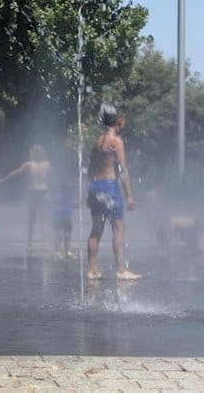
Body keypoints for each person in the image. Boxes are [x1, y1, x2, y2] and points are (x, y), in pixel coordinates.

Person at [85, 105, 141, 280]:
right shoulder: (117, 141)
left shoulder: (98, 141)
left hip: (96, 187)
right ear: (120, 121)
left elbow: (90, 169)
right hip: (110, 187)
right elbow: (123, 170)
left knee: (96, 229)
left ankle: (92, 270)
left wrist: (88, 194)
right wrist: (129, 196)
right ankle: (121, 269)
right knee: (118, 228)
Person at [0, 144, 51, 253]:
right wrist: (51, 191)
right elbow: (50, 179)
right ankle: (44, 246)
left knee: (32, 220)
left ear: (34, 153)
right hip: (44, 191)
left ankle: (29, 245)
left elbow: (15, 173)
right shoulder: (47, 164)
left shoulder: (29, 164)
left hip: (34, 191)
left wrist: (3, 180)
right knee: (44, 220)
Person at [52, 181, 75, 259]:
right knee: (60, 235)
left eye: (70, 190)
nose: (69, 192)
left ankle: (68, 252)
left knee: (68, 236)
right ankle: (57, 252)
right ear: (64, 189)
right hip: (59, 219)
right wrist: (56, 208)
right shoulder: (58, 196)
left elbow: (72, 205)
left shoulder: (70, 196)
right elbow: (51, 205)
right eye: (68, 190)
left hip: (67, 219)